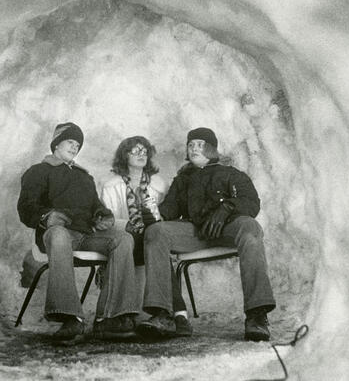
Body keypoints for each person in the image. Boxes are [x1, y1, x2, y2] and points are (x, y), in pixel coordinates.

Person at [137, 127, 276, 341]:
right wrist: (151, 214)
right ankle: (163, 314)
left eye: (200, 144)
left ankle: (257, 316)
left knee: (250, 227)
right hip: (196, 232)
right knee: (157, 231)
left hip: (228, 228)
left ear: (211, 149)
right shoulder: (182, 180)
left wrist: (227, 208)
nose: (194, 148)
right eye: (190, 145)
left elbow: (251, 203)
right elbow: (169, 211)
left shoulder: (231, 173)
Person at [17, 122, 139, 342]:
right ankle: (70, 317)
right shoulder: (39, 171)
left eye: (77, 144)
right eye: (70, 142)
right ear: (56, 144)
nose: (74, 147)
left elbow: (96, 206)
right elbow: (26, 208)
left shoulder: (84, 177)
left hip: (86, 235)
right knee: (59, 234)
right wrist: (47, 216)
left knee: (123, 239)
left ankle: (109, 317)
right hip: (57, 234)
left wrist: (104, 216)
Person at [100, 136, 193, 337]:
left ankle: (174, 316)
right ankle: (179, 315)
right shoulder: (110, 186)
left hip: (151, 242)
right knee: (153, 243)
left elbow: (168, 217)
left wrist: (155, 216)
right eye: (135, 151)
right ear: (124, 156)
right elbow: (107, 222)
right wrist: (130, 227)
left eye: (144, 151)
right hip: (123, 243)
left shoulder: (159, 185)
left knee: (155, 241)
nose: (141, 155)